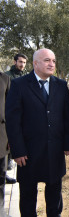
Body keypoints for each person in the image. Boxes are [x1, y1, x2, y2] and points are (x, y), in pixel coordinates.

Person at [5, 48, 69, 216]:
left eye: (53, 60)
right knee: (28, 195)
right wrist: (18, 150)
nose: (51, 64)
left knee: (54, 194)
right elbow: (13, 121)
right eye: (46, 60)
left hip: (55, 150)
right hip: (28, 153)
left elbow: (68, 117)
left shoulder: (60, 85)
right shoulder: (19, 84)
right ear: (35, 63)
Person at [4, 53, 28, 184]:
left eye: (24, 62)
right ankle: (5, 171)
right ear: (15, 62)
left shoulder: (25, 76)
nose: (22, 65)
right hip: (9, 114)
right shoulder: (7, 76)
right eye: (20, 62)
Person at [0, 72, 10, 217]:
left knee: (1, 177)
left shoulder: (4, 79)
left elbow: (10, 110)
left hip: (1, 137)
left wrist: (11, 138)